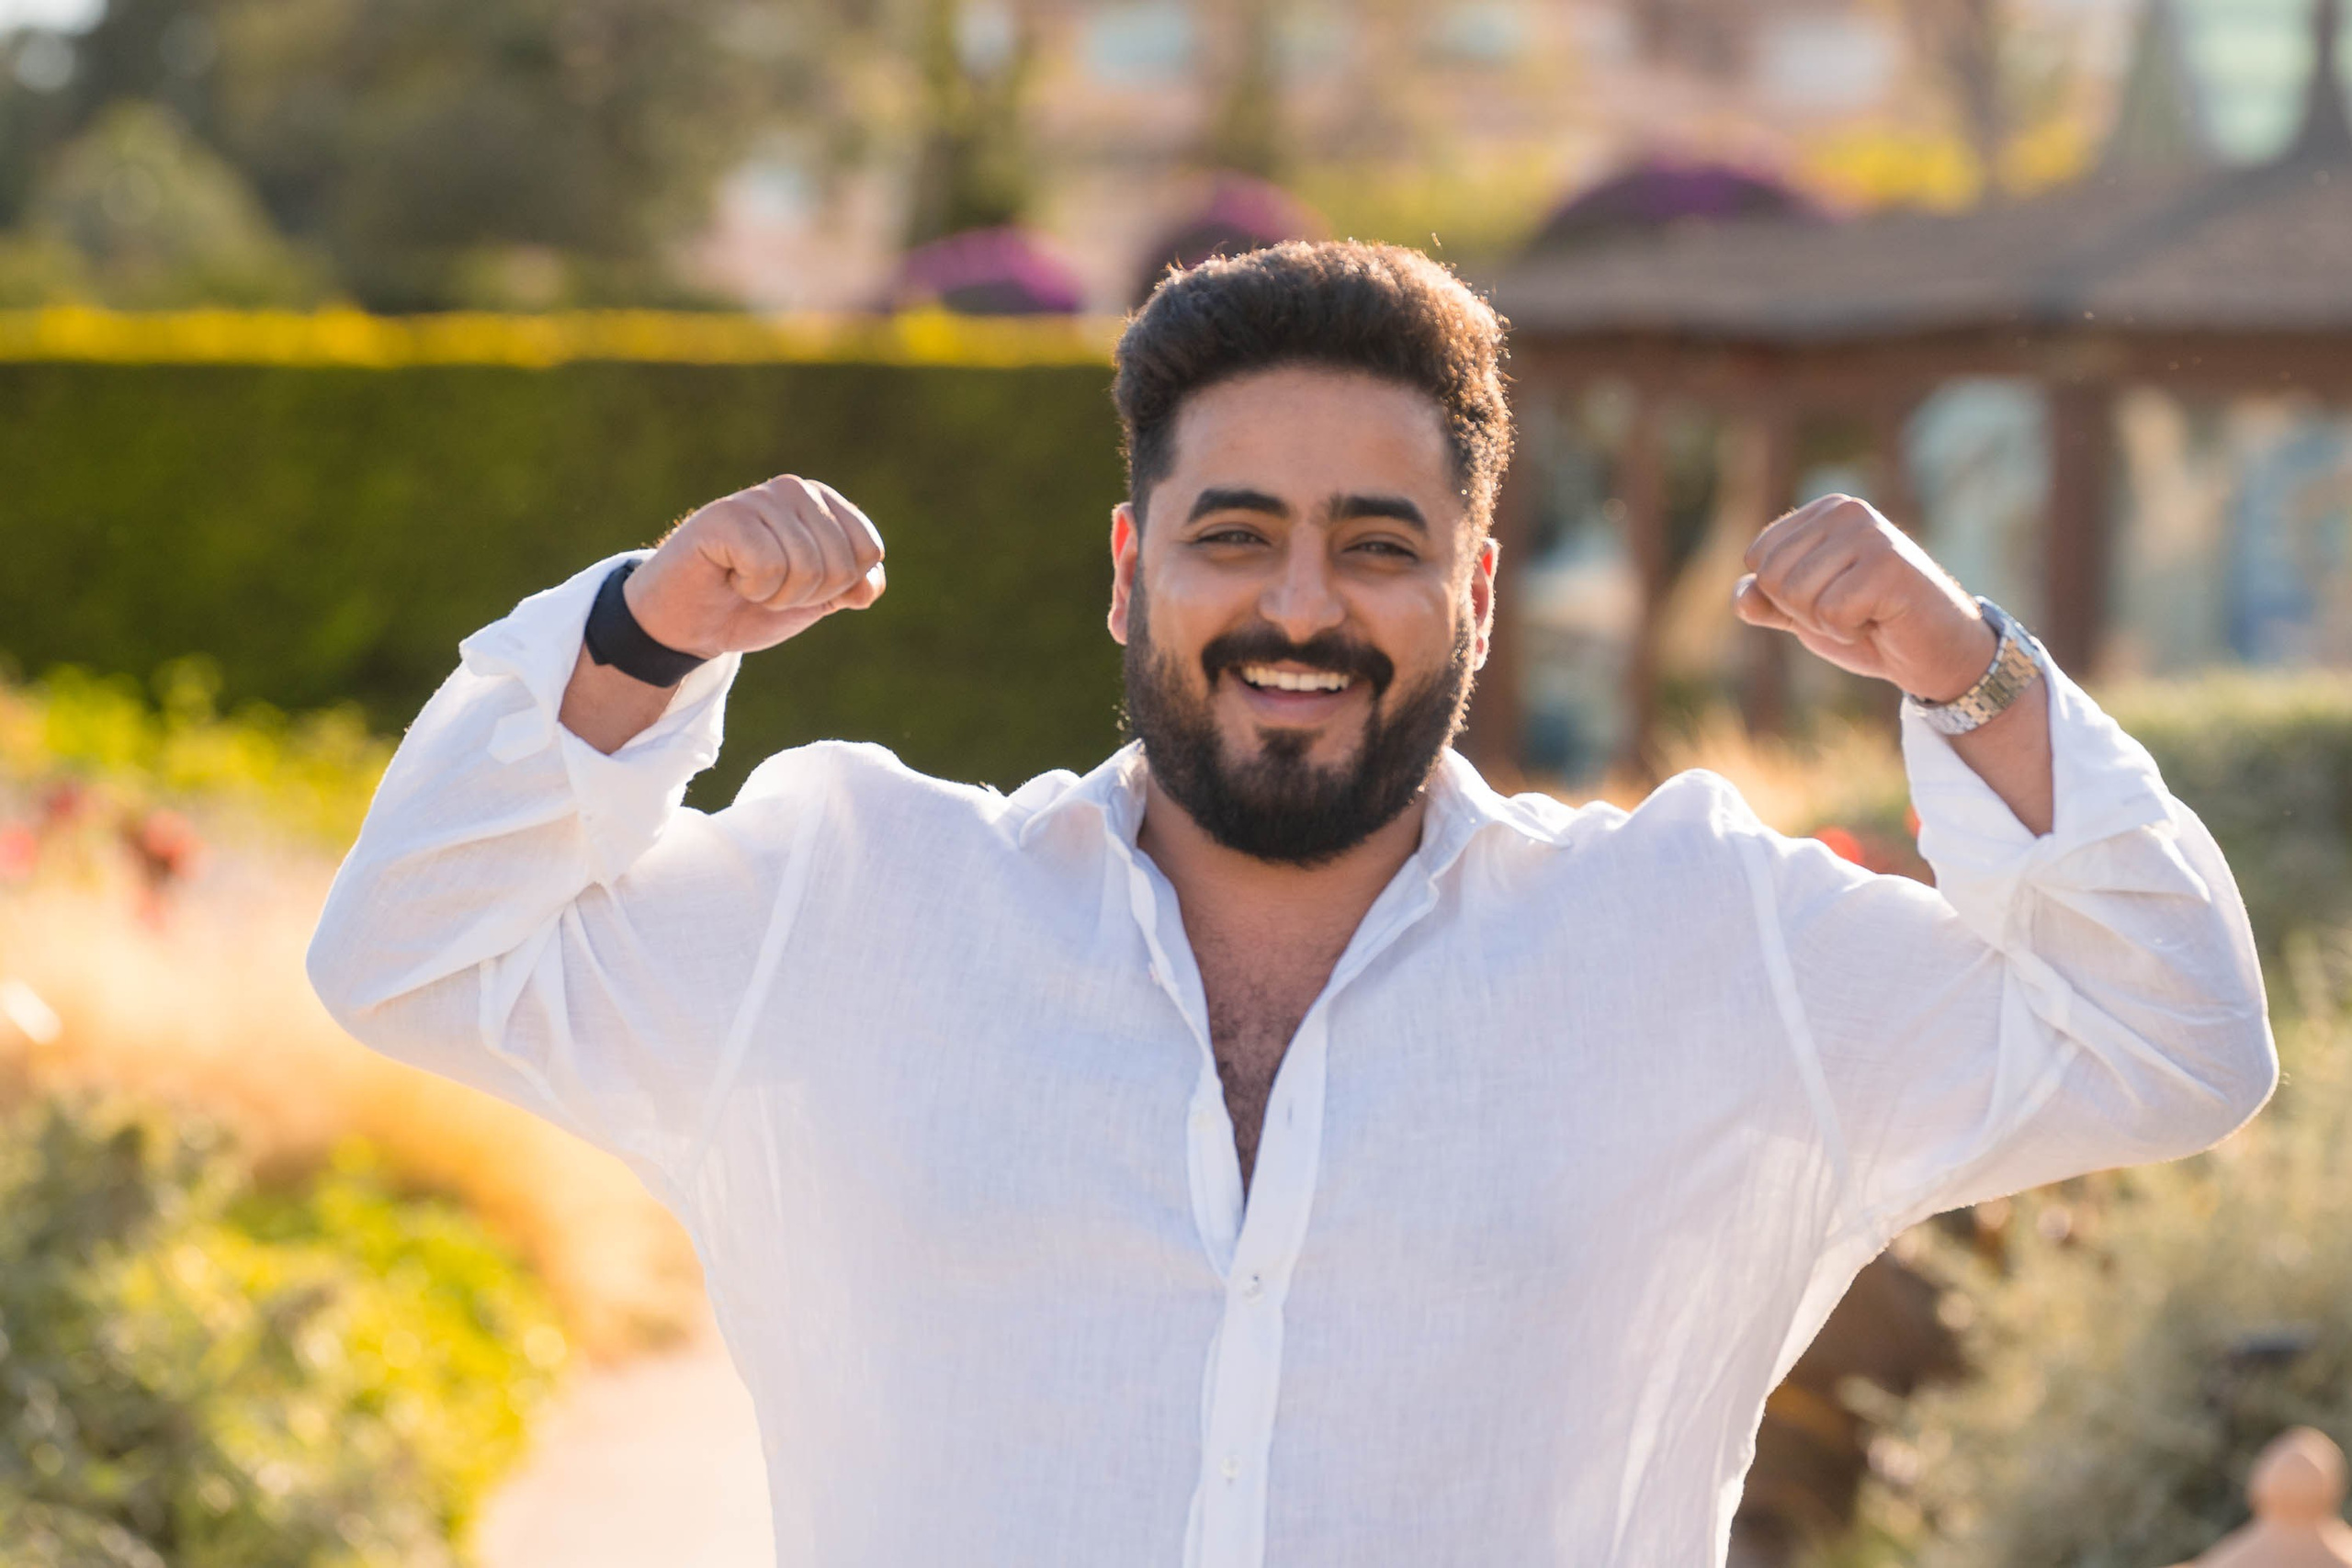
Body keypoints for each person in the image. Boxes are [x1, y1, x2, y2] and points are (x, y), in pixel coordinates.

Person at [307, 241, 2276, 1566]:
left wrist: (1972, 677)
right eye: (1233, 534)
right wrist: (634, 640)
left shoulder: (1698, 938)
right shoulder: (849, 900)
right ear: (1126, 569)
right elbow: (409, 952)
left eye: (1378, 545)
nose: (1302, 608)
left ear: (1476, 589)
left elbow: (2173, 1041)